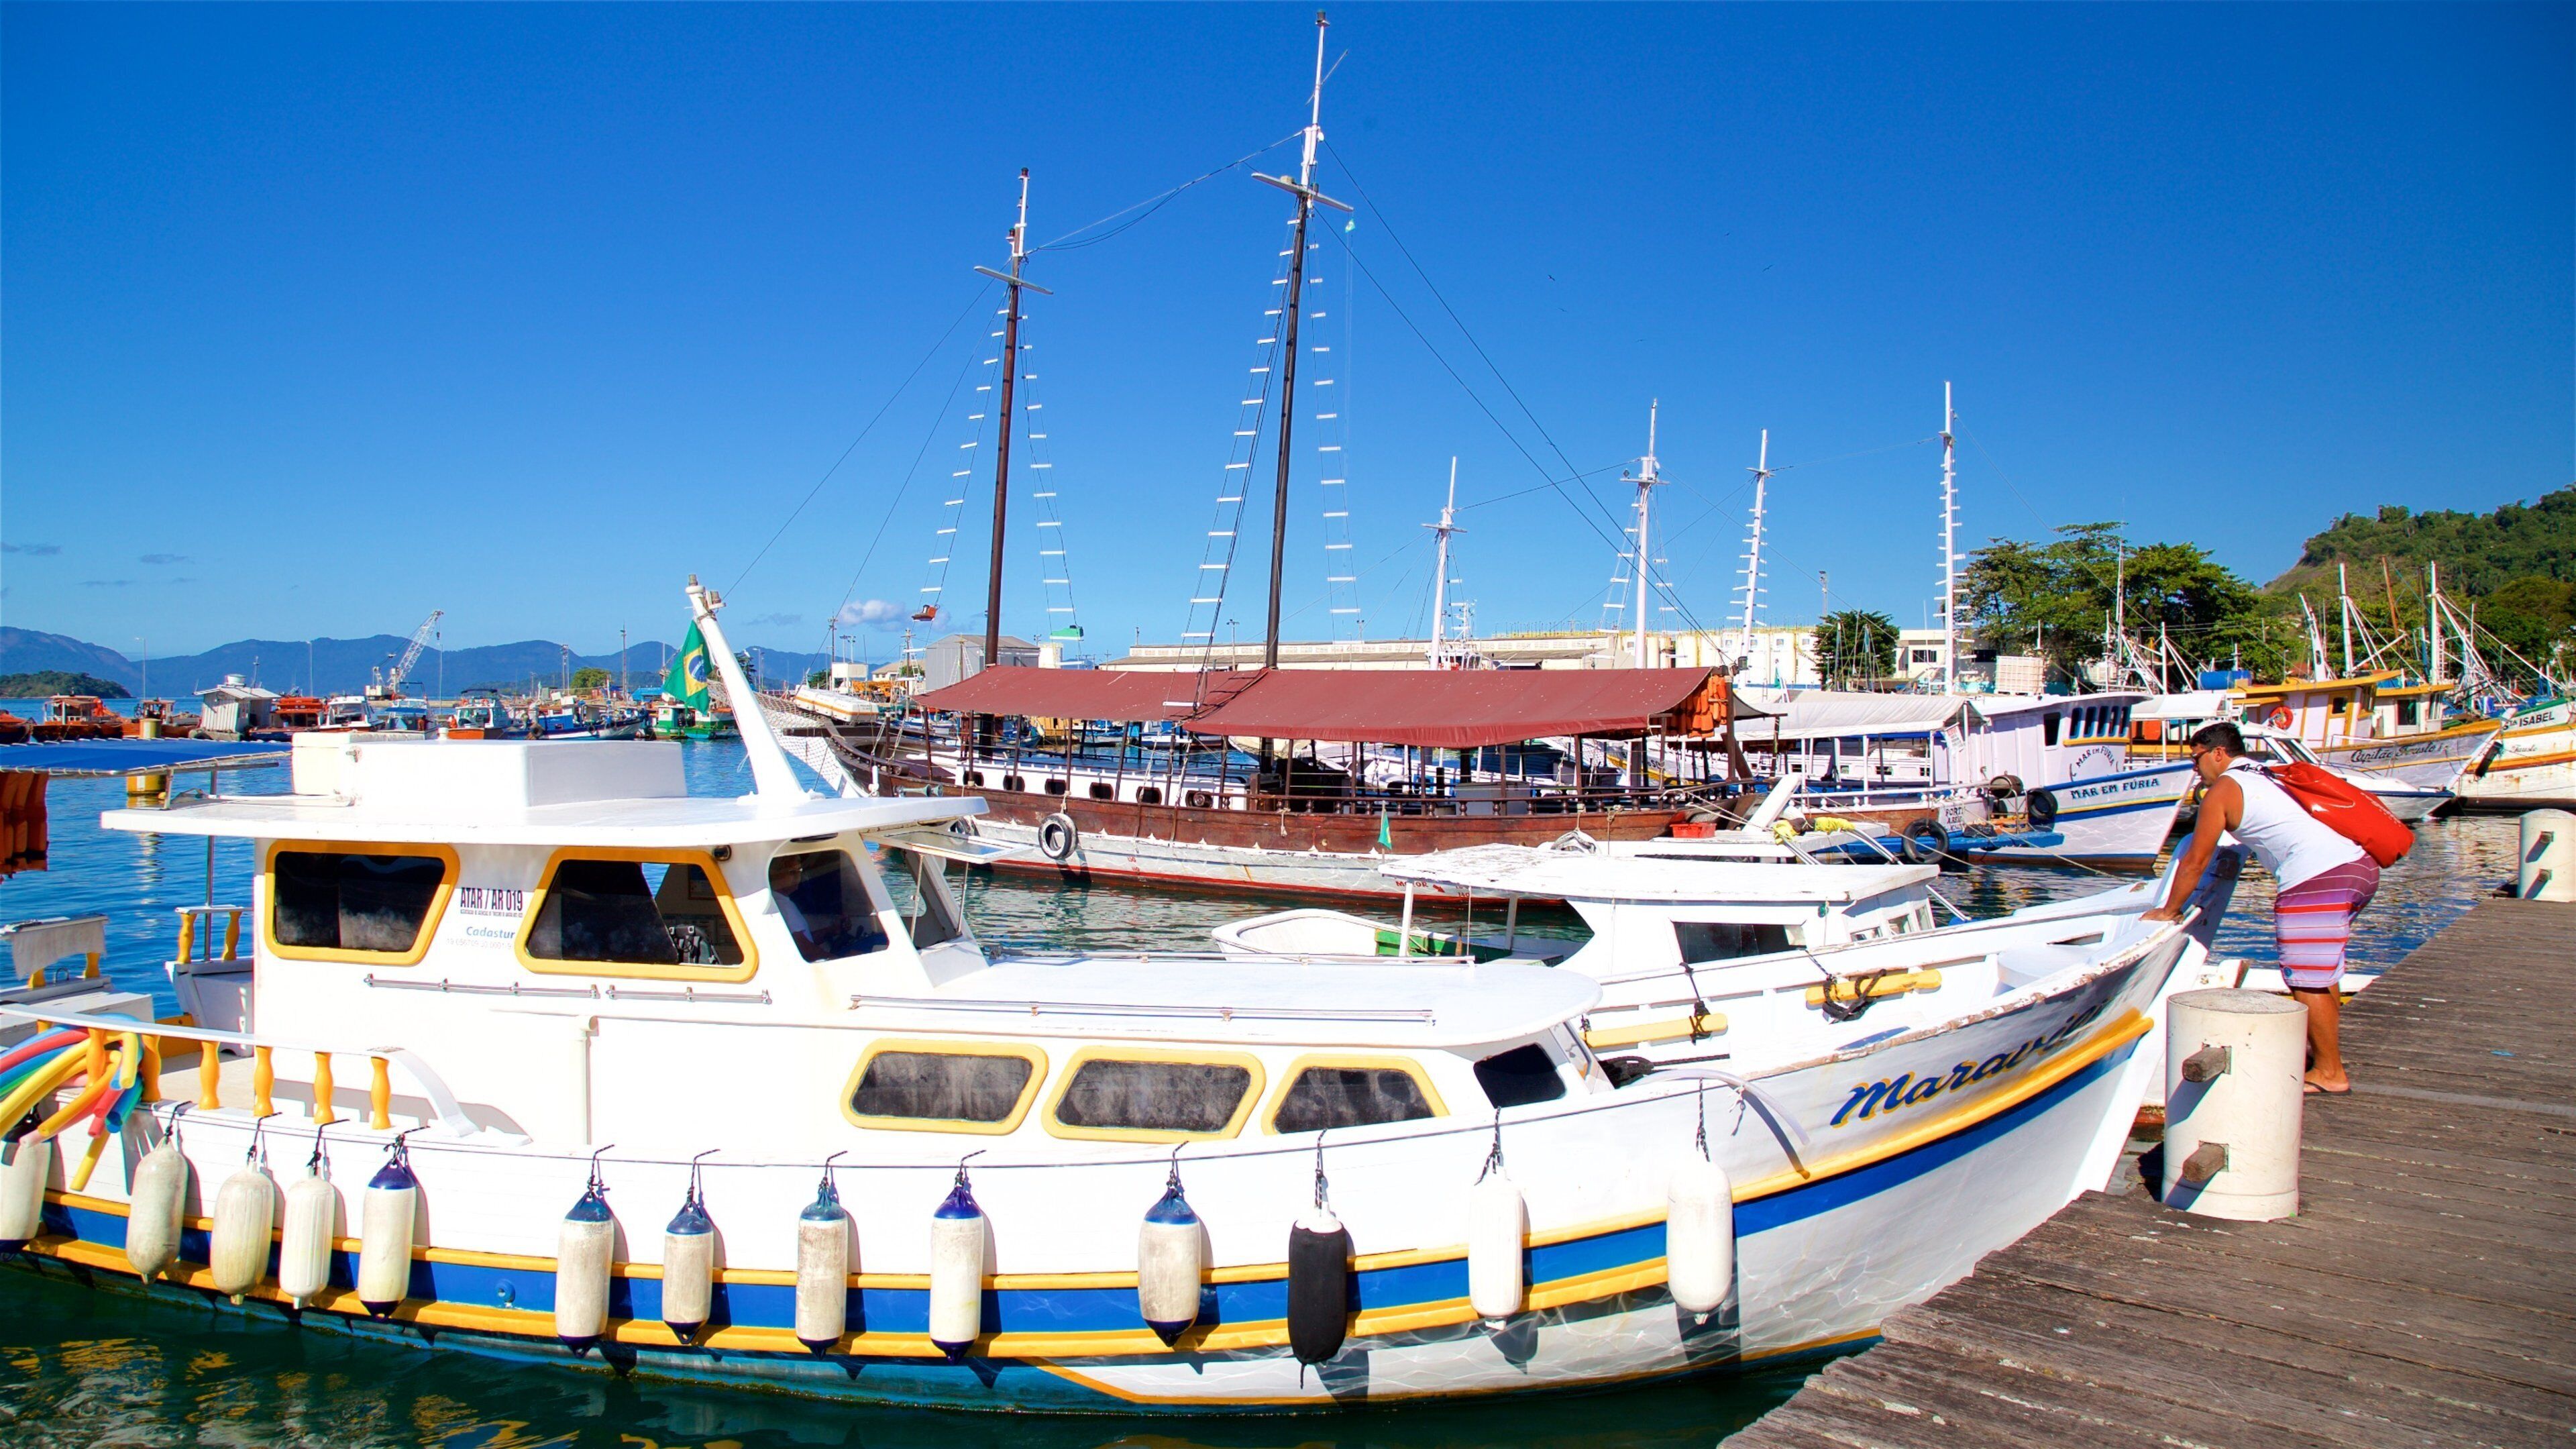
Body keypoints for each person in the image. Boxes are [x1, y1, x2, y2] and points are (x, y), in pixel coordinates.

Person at [2145, 721, 2379, 1093]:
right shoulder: (2266, 773)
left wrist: (2169, 910)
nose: (2195, 769)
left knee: (2305, 978)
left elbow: (2195, 861)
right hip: (2358, 868)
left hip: (2316, 878)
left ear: (2218, 753)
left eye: (2196, 759)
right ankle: (2321, 1059)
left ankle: (2330, 1073)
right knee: (2322, 972)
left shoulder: (2223, 790)